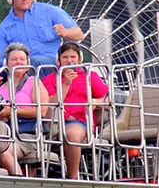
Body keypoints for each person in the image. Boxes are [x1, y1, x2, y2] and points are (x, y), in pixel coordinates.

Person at [41, 42, 110, 179]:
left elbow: (107, 101)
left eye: (73, 57)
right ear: (58, 60)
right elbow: (49, 103)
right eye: (65, 57)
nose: (69, 60)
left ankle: (72, 178)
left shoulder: (90, 76)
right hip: (53, 122)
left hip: (80, 122)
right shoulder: (49, 79)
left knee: (71, 134)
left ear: (79, 59)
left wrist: (94, 102)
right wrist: (66, 83)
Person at [0, 43, 50, 175]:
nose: (18, 62)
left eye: (22, 59)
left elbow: (42, 111)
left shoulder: (34, 82)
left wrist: (13, 112)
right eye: (14, 59)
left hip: (26, 134)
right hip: (2, 132)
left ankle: (21, 184)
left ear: (28, 62)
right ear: (7, 63)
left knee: (3, 152)